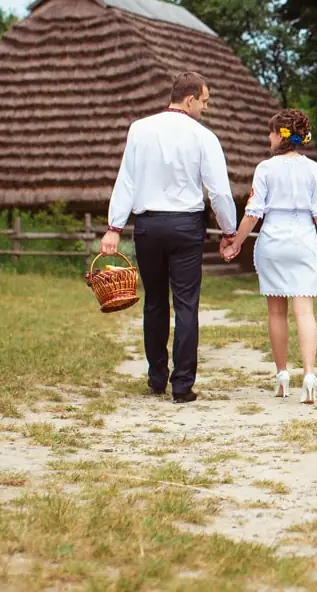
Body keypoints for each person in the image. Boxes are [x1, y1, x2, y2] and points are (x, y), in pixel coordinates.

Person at [100, 72, 239, 404]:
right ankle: (182, 386)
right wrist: (229, 231)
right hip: (185, 227)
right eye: (204, 101)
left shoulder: (139, 129)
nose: (206, 108)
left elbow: (126, 180)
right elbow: (219, 192)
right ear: (189, 100)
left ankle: (156, 378)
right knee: (187, 303)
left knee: (155, 302)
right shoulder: (204, 136)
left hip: (148, 226)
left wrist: (114, 227)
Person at [222, 109, 317, 404]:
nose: (269, 137)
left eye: (271, 132)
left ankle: (282, 376)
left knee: (276, 312)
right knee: (305, 313)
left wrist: (235, 243)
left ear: (280, 135)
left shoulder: (265, 168)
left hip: (273, 243)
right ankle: (310, 376)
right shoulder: (314, 170)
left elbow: (253, 213)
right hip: (303, 242)